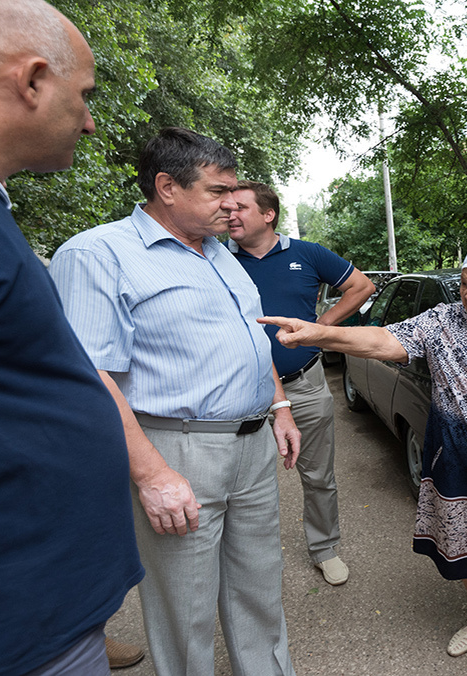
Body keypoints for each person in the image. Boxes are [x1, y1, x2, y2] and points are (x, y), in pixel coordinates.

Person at [49, 127, 300, 676]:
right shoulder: (98, 254)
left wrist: (279, 406)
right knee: (184, 612)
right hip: (176, 453)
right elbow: (91, 377)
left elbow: (251, 336)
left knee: (260, 589)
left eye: (235, 192)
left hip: (254, 447)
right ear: (166, 186)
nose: (232, 205)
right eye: (217, 192)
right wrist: (152, 476)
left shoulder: (221, 254)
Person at [260, 246, 467, 676]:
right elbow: (383, 339)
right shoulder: (443, 321)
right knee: (462, 543)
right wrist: (317, 333)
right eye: (464, 284)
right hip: (452, 459)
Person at [0, 1, 144, 674]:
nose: (88, 119)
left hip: (49, 607)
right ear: (31, 81)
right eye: (82, 95)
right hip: (25, 621)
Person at [227, 180, 374, 586]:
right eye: (227, 207)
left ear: (268, 214)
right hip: (243, 390)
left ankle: (325, 548)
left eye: (239, 207)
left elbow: (362, 287)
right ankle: (249, 560)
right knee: (244, 481)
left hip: (304, 384)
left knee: (318, 476)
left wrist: (320, 327)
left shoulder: (306, 253)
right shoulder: (216, 259)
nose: (230, 214)